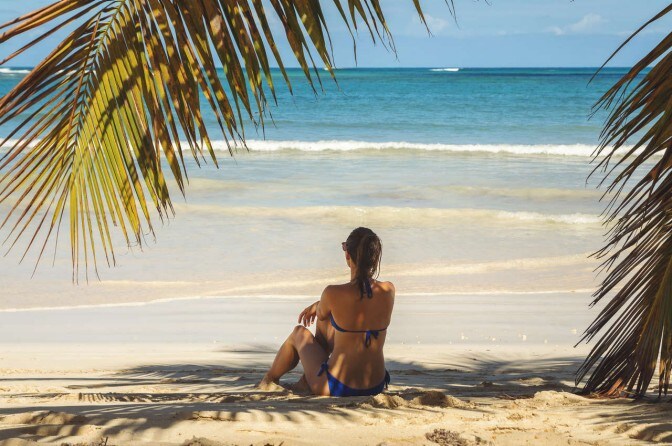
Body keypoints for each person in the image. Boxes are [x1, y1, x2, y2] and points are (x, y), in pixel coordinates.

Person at [259, 227, 395, 396]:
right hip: (376, 385)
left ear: (347, 255)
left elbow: (322, 313)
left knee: (299, 333)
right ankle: (305, 381)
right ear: (375, 258)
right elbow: (360, 305)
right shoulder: (389, 290)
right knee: (328, 323)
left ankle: (269, 379)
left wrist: (317, 305)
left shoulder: (333, 293)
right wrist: (320, 306)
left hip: (336, 386)